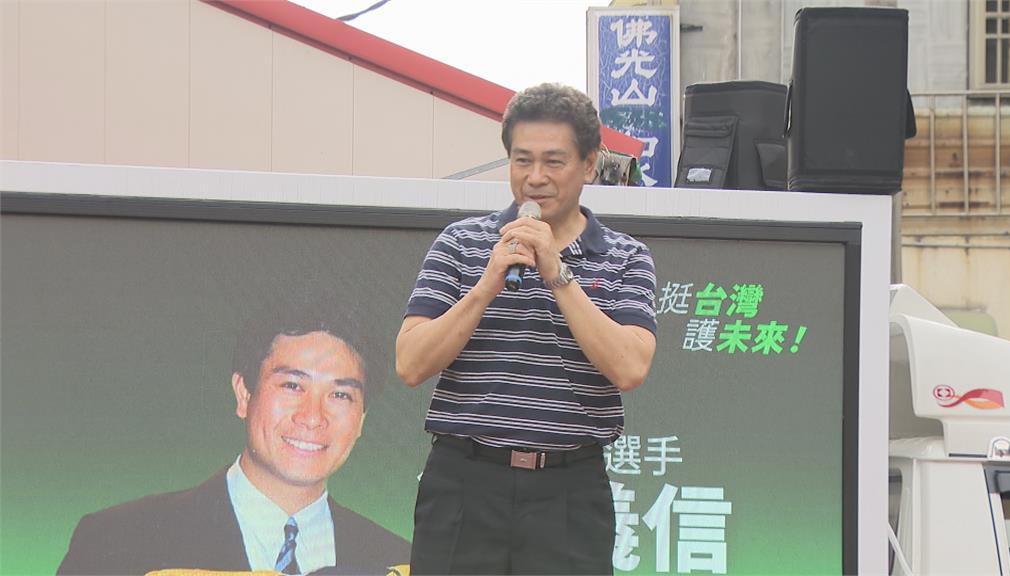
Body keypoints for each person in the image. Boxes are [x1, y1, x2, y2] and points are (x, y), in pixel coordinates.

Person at [396, 83, 658, 575]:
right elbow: (410, 364)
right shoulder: (461, 243)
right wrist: (486, 285)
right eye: (522, 161)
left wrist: (557, 272)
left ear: (589, 164)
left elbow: (629, 368)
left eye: (553, 161)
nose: (535, 178)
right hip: (464, 482)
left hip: (568, 492)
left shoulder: (626, 257)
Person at [58, 310, 410, 575]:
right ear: (244, 394)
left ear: (362, 420)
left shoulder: (403, 563)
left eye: (340, 394)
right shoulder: (119, 543)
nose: (313, 416)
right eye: (292, 386)